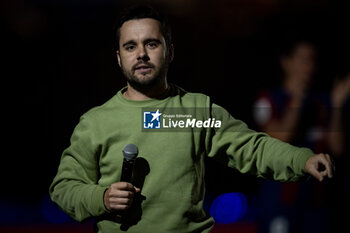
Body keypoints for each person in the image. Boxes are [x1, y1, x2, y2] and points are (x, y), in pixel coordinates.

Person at [49, 6, 334, 233]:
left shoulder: (193, 112)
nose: (142, 55)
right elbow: (64, 188)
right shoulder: (96, 122)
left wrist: (302, 160)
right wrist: (101, 198)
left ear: (169, 51)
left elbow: (252, 147)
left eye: (151, 44)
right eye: (130, 47)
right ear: (119, 58)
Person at [253, 39, 350, 233]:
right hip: (280, 203)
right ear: (286, 62)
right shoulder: (268, 100)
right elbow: (280, 138)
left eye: (312, 60)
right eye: (303, 59)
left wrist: (338, 105)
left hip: (319, 205)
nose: (309, 66)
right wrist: (298, 99)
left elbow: (338, 148)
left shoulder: (323, 102)